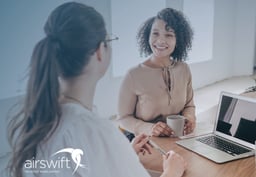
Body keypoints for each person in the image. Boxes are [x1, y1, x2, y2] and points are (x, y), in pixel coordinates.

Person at [7, 2, 186, 177]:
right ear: (100, 51)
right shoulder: (98, 132)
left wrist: (123, 156)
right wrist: (172, 171)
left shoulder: (37, 121)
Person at [117, 8, 196, 138]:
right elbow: (123, 118)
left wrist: (189, 118)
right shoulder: (133, 74)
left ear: (178, 40)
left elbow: (189, 105)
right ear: (148, 36)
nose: (160, 40)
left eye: (169, 35)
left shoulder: (184, 69)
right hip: (143, 141)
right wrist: (149, 128)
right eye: (155, 33)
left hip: (175, 138)